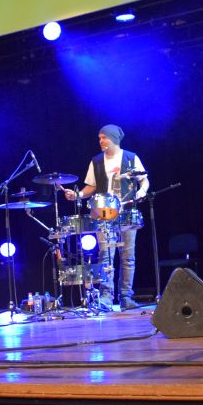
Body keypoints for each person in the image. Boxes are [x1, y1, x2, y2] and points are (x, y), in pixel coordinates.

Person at [62, 125, 149, 311]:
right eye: (99, 138)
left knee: (128, 257)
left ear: (114, 138)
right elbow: (91, 187)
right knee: (105, 256)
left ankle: (126, 297)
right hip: (103, 214)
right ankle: (106, 297)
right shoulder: (96, 161)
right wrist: (77, 195)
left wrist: (142, 192)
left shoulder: (130, 158)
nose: (100, 141)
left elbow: (144, 180)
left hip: (126, 212)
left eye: (104, 137)